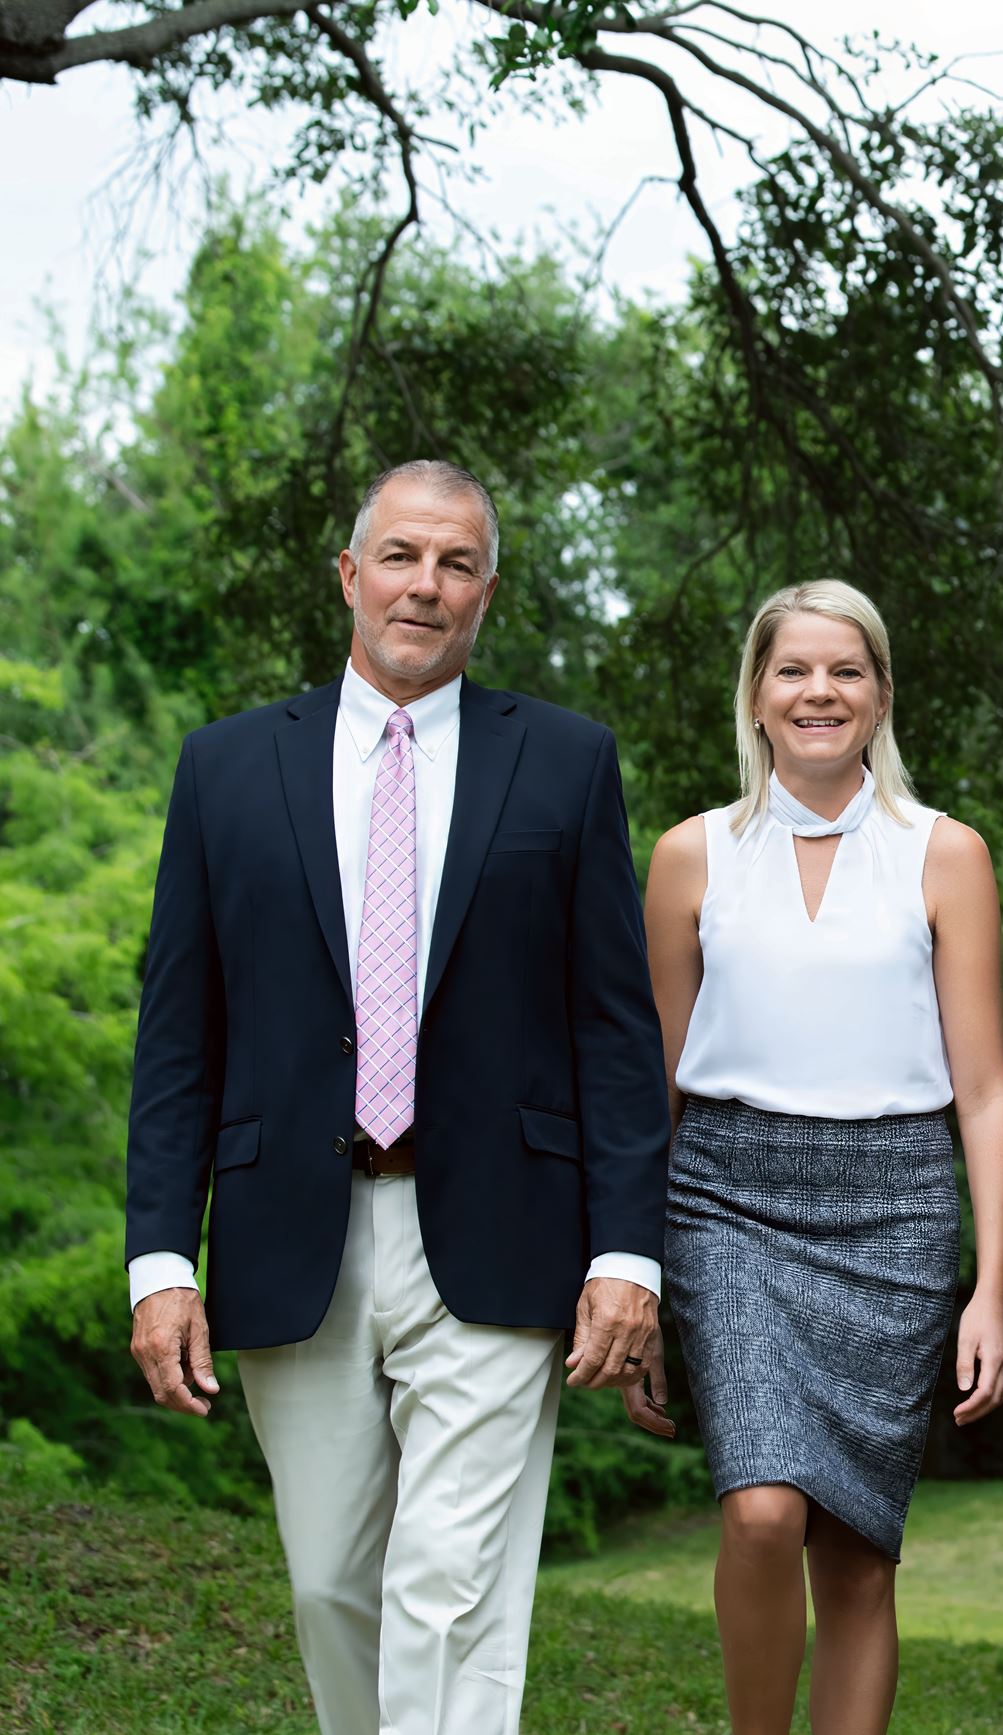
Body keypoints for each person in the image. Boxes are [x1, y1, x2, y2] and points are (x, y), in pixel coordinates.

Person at [123, 460, 670, 1735]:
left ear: (487, 592)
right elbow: (176, 1036)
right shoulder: (223, 767)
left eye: (458, 563)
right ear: (351, 575)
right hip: (288, 1230)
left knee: (450, 1589)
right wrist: (160, 1256)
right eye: (403, 556)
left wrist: (626, 1250)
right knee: (330, 1585)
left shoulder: (567, 763)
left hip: (499, 1225)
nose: (426, 585)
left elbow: (614, 1028)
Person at [628, 580, 1003, 1735]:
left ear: (881, 694)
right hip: (726, 1204)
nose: (819, 691)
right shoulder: (688, 857)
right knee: (758, 1511)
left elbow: (986, 1092)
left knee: (856, 1552)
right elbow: (654, 1086)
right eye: (793, 669)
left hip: (895, 1210)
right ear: (755, 694)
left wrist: (990, 1290)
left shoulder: (944, 854)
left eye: (845, 670)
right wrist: (634, 1278)